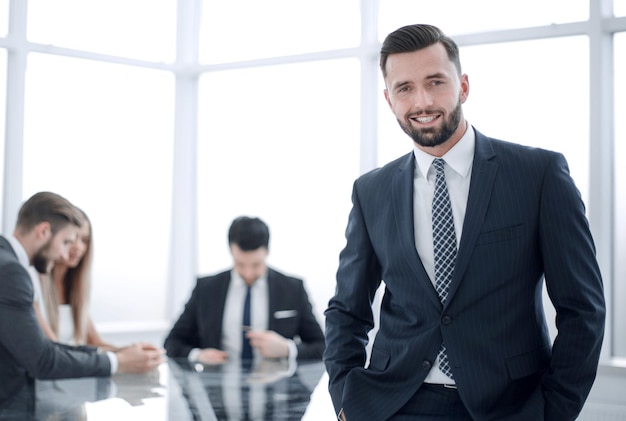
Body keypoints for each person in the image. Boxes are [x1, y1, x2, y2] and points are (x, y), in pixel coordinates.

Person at [323, 24, 606, 421]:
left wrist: (552, 411)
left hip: (510, 405)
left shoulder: (538, 175)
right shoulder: (371, 191)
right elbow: (346, 311)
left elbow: (583, 309)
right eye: (405, 88)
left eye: (435, 82)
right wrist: (346, 400)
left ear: (464, 86)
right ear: (389, 100)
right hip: (394, 404)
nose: (422, 101)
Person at [0, 192, 164, 413]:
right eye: (66, 242)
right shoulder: (11, 272)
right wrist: (117, 362)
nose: (64, 253)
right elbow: (43, 358)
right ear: (43, 231)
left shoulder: (7, 264)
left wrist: (120, 355)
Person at [164, 216, 325, 365]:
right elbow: (172, 342)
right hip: (218, 388)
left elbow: (321, 346)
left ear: (267, 252)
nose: (248, 273)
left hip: (278, 390)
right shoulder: (206, 289)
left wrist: (287, 349)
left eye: (256, 265)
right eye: (240, 264)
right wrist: (198, 355)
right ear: (231, 251)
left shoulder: (292, 289)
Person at [32, 208, 134, 351]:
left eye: (84, 240)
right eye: (72, 239)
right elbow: (53, 350)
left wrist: (132, 351)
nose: (78, 247)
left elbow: (95, 342)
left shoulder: (75, 289)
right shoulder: (34, 283)